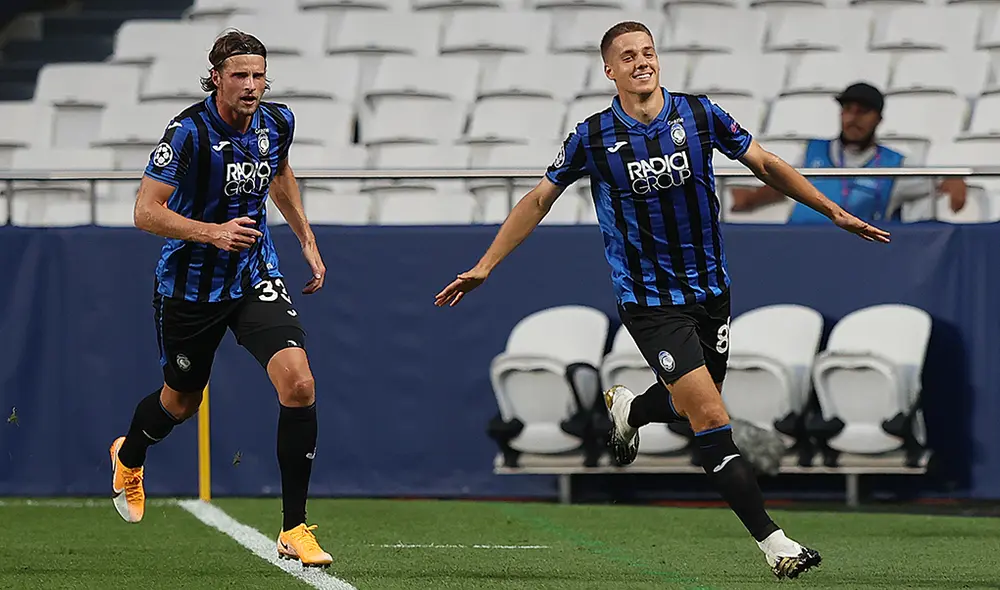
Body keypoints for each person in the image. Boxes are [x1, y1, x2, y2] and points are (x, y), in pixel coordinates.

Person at [435, 21, 890, 580]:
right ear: (610, 70)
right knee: (711, 417)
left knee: (687, 403)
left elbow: (765, 164)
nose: (641, 62)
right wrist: (485, 265)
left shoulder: (699, 114)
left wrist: (834, 211)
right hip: (650, 301)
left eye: (648, 52)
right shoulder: (593, 136)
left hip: (711, 291)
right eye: (628, 56)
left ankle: (630, 411)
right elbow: (537, 201)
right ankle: (776, 545)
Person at [109, 30, 333, 568]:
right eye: (240, 75)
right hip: (191, 286)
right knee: (182, 402)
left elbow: (279, 172)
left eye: (259, 75)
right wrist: (211, 233)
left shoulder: (278, 122)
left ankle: (294, 527)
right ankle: (130, 454)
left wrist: (304, 236)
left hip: (254, 274)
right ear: (216, 78)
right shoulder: (187, 131)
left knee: (299, 383)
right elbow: (145, 211)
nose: (251, 85)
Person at [731, 82, 967, 222]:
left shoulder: (894, 164)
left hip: (859, 256)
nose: (853, 118)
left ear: (878, 119)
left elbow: (937, 182)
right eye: (848, 110)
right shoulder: (812, 152)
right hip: (800, 247)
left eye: (863, 112)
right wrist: (748, 200)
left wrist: (954, 180)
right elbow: (781, 187)